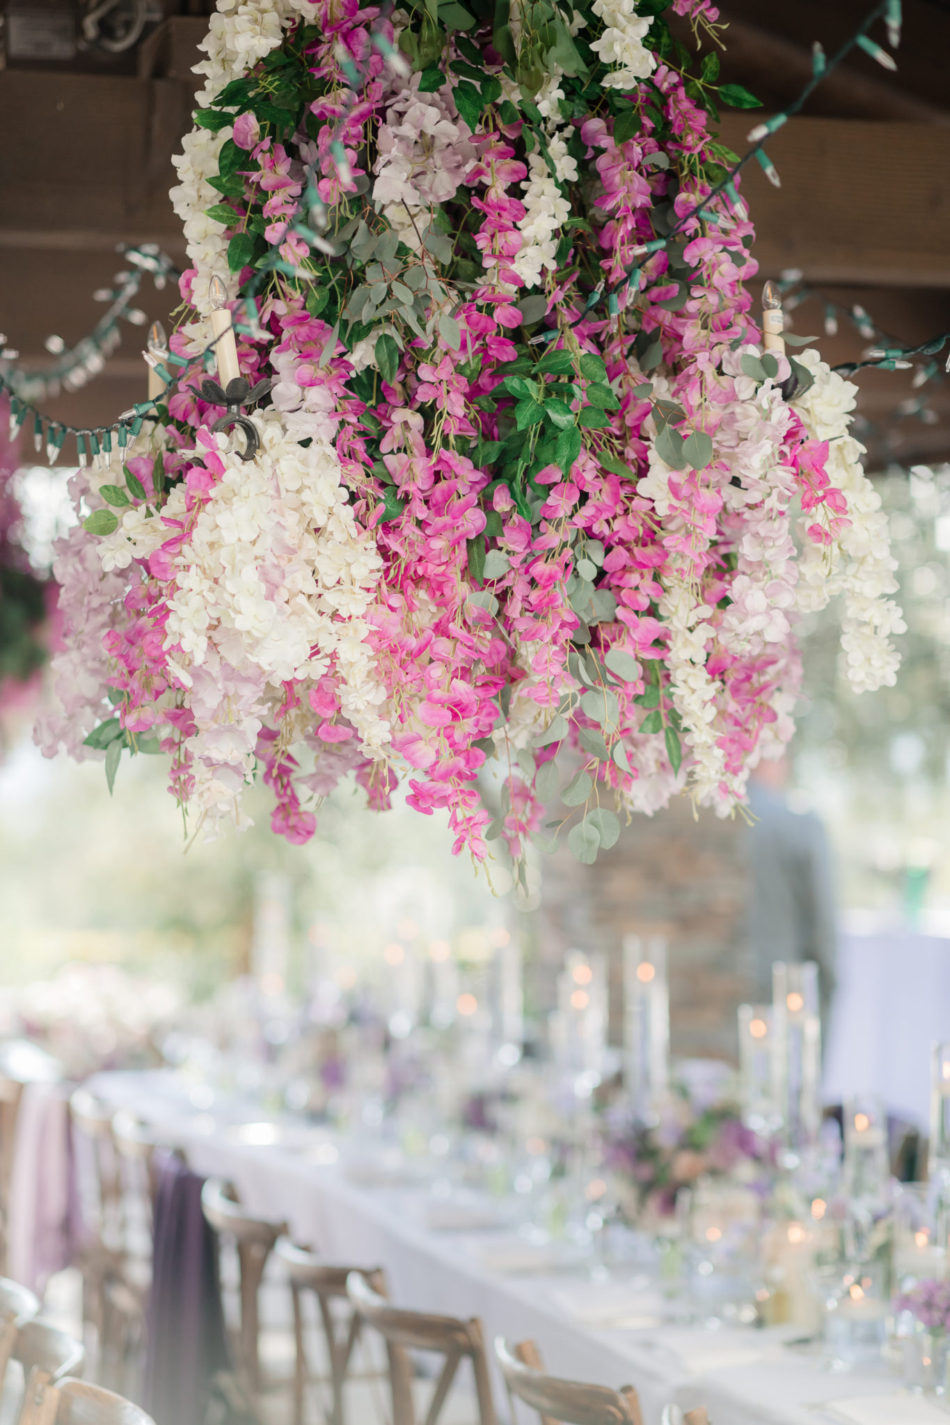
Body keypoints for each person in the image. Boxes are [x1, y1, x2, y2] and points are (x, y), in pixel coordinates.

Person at [746, 757, 837, 1024]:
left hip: (719, 981)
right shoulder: (801, 824)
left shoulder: (707, 818)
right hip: (788, 979)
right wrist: (830, 979)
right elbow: (822, 914)